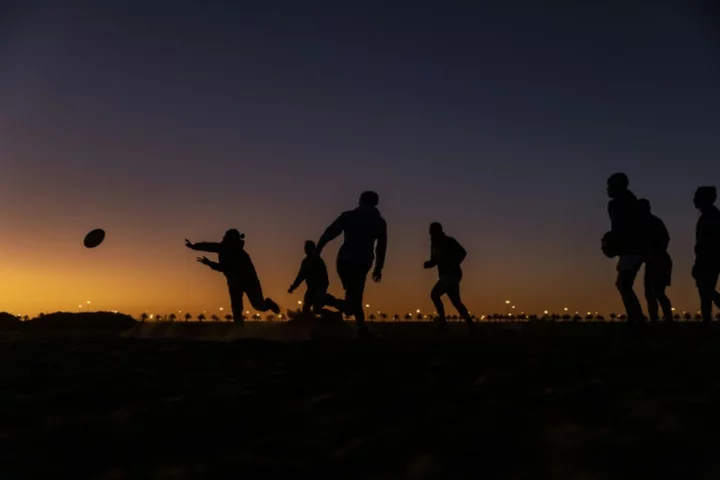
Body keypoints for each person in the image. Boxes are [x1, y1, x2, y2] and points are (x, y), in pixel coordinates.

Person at [316, 191, 387, 337]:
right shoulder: (379, 222)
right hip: (360, 263)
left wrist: (318, 249)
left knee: (354, 298)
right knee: (352, 303)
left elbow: (329, 232)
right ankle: (325, 299)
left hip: (344, 262)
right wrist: (378, 268)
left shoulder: (349, 216)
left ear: (360, 201)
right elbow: (381, 247)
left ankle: (362, 330)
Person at [185, 229, 280, 323]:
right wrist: (194, 246)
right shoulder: (223, 247)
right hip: (234, 282)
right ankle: (239, 332)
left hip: (250, 282)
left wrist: (210, 264)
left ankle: (268, 304)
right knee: (236, 308)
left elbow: (227, 268)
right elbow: (209, 246)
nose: (224, 239)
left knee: (258, 306)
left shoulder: (242, 255)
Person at [606, 173, 645, 324]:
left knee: (624, 284)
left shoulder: (619, 204)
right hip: (633, 248)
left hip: (632, 248)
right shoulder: (630, 201)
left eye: (610, 186)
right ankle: (635, 317)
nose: (607, 189)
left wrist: (613, 243)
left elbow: (621, 228)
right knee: (623, 284)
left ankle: (636, 319)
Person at [423, 222, 473, 329]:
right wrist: (428, 264)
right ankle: (471, 324)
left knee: (435, 294)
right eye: (430, 231)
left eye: (433, 231)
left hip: (452, 274)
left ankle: (443, 323)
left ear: (439, 231)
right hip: (444, 275)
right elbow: (434, 260)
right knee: (456, 302)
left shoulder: (449, 241)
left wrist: (453, 263)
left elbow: (463, 252)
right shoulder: (434, 245)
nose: (431, 234)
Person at [638, 199, 673, 322]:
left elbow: (664, 240)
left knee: (657, 292)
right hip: (654, 261)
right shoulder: (648, 223)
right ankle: (657, 318)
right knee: (651, 293)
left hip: (659, 261)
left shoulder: (652, 222)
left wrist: (653, 253)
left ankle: (666, 316)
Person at [692, 186, 720, 323]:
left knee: (706, 291)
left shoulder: (710, 216)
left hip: (708, 259)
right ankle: (706, 323)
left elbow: (707, 243)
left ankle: (707, 323)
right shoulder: (710, 215)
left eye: (697, 197)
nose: (694, 200)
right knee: (706, 292)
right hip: (709, 258)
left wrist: (699, 262)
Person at [288, 241, 329, 318]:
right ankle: (309, 322)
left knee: (316, 309)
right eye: (305, 247)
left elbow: (325, 276)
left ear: (312, 249)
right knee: (305, 309)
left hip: (319, 288)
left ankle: (333, 315)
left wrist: (322, 289)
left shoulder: (318, 261)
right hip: (311, 289)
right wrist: (292, 287)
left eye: (307, 247)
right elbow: (300, 277)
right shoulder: (305, 262)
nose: (305, 249)